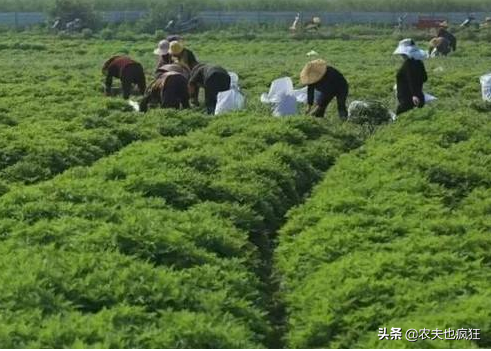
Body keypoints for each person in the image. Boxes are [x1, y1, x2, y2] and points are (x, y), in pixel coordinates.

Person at [393, 39, 428, 116]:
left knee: (401, 115)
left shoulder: (408, 64)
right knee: (417, 115)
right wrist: (417, 91)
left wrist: (414, 95)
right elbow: (425, 78)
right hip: (418, 94)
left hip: (407, 96)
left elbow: (411, 79)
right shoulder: (419, 62)